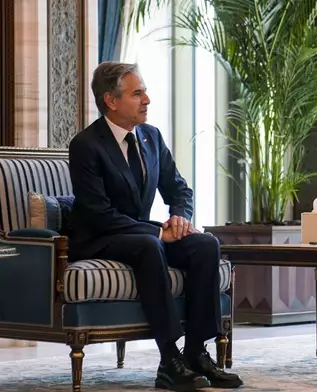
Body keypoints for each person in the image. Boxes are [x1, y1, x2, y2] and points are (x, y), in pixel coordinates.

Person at [68, 61, 243, 391]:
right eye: (137, 93)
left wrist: (179, 217)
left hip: (138, 232)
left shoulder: (150, 136)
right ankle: (169, 359)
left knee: (205, 245)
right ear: (111, 100)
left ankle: (195, 353)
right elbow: (97, 213)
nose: (147, 99)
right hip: (99, 237)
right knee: (149, 245)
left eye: (145, 91)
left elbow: (179, 188)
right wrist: (155, 232)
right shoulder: (86, 145)